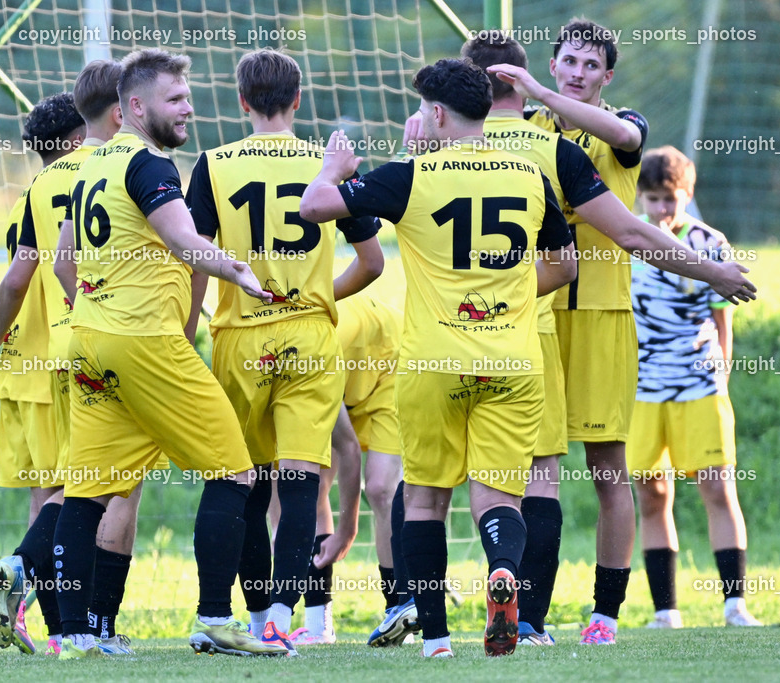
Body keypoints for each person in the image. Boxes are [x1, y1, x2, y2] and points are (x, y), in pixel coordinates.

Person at [484, 18, 758, 644]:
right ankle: (530, 618)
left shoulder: (624, 127)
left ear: (607, 76)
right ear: (553, 64)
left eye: (591, 65)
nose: (578, 72)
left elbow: (625, 142)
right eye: (569, 61)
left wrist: (541, 94)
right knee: (539, 466)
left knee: (609, 469)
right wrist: (424, 125)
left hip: (604, 316)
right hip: (537, 315)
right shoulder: (521, 131)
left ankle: (604, 617)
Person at [301, 57, 578, 658]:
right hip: (513, 362)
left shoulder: (410, 175)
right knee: (499, 498)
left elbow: (314, 207)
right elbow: (565, 267)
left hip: (433, 364)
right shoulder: (530, 175)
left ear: (435, 114)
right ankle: (502, 569)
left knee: (425, 499)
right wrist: (504, 297)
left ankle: (437, 640)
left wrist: (332, 168)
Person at [47, 48, 283, 660]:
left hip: (90, 339)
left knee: (87, 491)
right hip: (145, 341)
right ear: (134, 105)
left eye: (188, 96)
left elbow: (65, 262)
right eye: (174, 98)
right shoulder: (148, 164)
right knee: (234, 470)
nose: (187, 108)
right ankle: (214, 619)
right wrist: (236, 270)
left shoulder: (93, 164)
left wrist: (97, 307)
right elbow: (183, 238)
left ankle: (74, 634)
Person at [184, 47, 383, 654]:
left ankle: (248, 621)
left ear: (242, 101)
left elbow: (194, 257)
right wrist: (318, 295)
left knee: (243, 482)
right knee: (302, 485)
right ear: (298, 100)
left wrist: (186, 333)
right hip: (309, 339)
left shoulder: (213, 164)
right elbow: (372, 263)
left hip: (240, 337)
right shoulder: (328, 165)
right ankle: (279, 616)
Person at [0, 91, 87, 656]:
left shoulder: (25, 200)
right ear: (78, 138)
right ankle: (14, 572)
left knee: (46, 501)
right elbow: (28, 276)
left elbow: (15, 277)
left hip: (20, 368)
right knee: (80, 493)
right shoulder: (87, 183)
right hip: (60, 360)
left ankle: (57, 633)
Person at [628, 146, 761, 629]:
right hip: (641, 391)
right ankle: (665, 611)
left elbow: (723, 320)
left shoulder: (709, 243)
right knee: (651, 495)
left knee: (717, 489)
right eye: (653, 199)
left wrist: (721, 374)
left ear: (687, 194)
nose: (662, 208)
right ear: (640, 198)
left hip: (698, 385)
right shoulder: (628, 241)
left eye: (671, 198)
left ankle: (735, 605)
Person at [266, 294, 401, 646]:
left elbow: (349, 449)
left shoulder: (308, 360)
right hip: (339, 368)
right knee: (308, 485)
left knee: (382, 489)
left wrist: (346, 530)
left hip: (391, 358)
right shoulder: (260, 359)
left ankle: (399, 607)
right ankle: (318, 627)